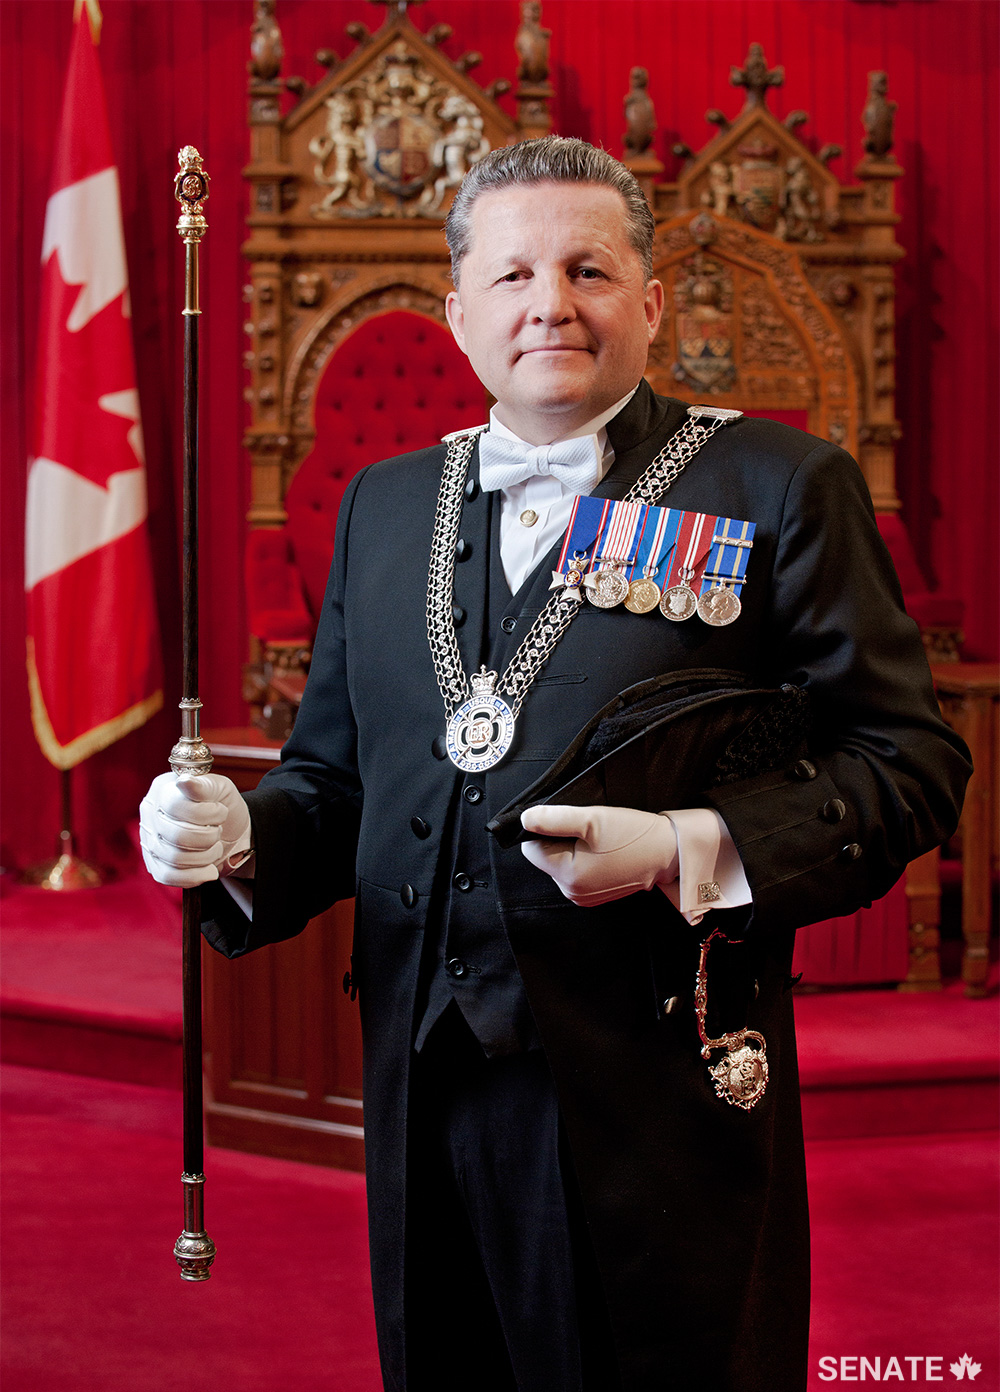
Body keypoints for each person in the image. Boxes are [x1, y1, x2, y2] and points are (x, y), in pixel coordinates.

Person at [140, 138, 970, 1392]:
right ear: (458, 312)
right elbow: (338, 784)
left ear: (649, 303)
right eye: (514, 273)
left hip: (658, 1094)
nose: (550, 303)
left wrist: (693, 847)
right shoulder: (382, 504)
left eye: (589, 269)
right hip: (425, 1085)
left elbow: (910, 763)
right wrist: (240, 836)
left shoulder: (779, 485)